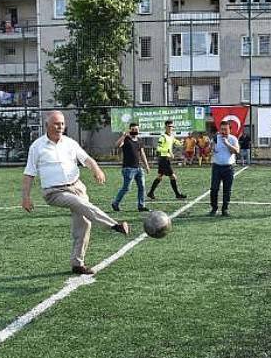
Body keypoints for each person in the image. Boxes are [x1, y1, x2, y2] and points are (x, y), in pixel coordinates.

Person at [21, 111, 130, 275]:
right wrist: (26, 198)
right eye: (57, 123)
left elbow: (86, 159)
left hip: (77, 186)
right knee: (80, 203)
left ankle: (77, 263)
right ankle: (114, 225)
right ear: (47, 125)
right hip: (54, 192)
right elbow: (29, 173)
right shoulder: (37, 146)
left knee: (84, 224)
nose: (60, 127)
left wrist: (97, 170)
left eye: (63, 124)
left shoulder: (70, 143)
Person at [111, 123, 151, 213]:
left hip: (138, 168)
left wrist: (146, 166)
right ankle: (115, 203)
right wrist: (124, 135)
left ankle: (141, 206)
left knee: (142, 187)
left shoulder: (139, 141)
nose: (135, 131)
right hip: (128, 168)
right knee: (126, 188)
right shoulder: (126, 139)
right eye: (133, 129)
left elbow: (142, 154)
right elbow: (117, 145)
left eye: (136, 129)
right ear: (129, 130)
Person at [147, 120, 187, 200]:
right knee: (173, 177)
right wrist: (168, 151)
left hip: (166, 159)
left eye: (172, 126)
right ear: (165, 127)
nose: (170, 128)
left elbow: (175, 142)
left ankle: (150, 193)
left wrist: (181, 142)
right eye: (169, 126)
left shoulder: (171, 135)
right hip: (164, 159)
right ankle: (177, 194)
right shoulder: (163, 137)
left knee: (159, 176)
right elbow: (158, 148)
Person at [209, 121, 240, 217]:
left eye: (225, 129)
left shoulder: (233, 139)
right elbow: (210, 150)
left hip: (228, 168)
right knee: (214, 189)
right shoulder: (215, 138)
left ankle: (225, 209)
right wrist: (211, 147)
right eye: (221, 129)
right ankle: (214, 208)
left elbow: (237, 151)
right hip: (216, 167)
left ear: (230, 130)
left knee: (227, 190)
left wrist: (227, 144)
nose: (223, 131)